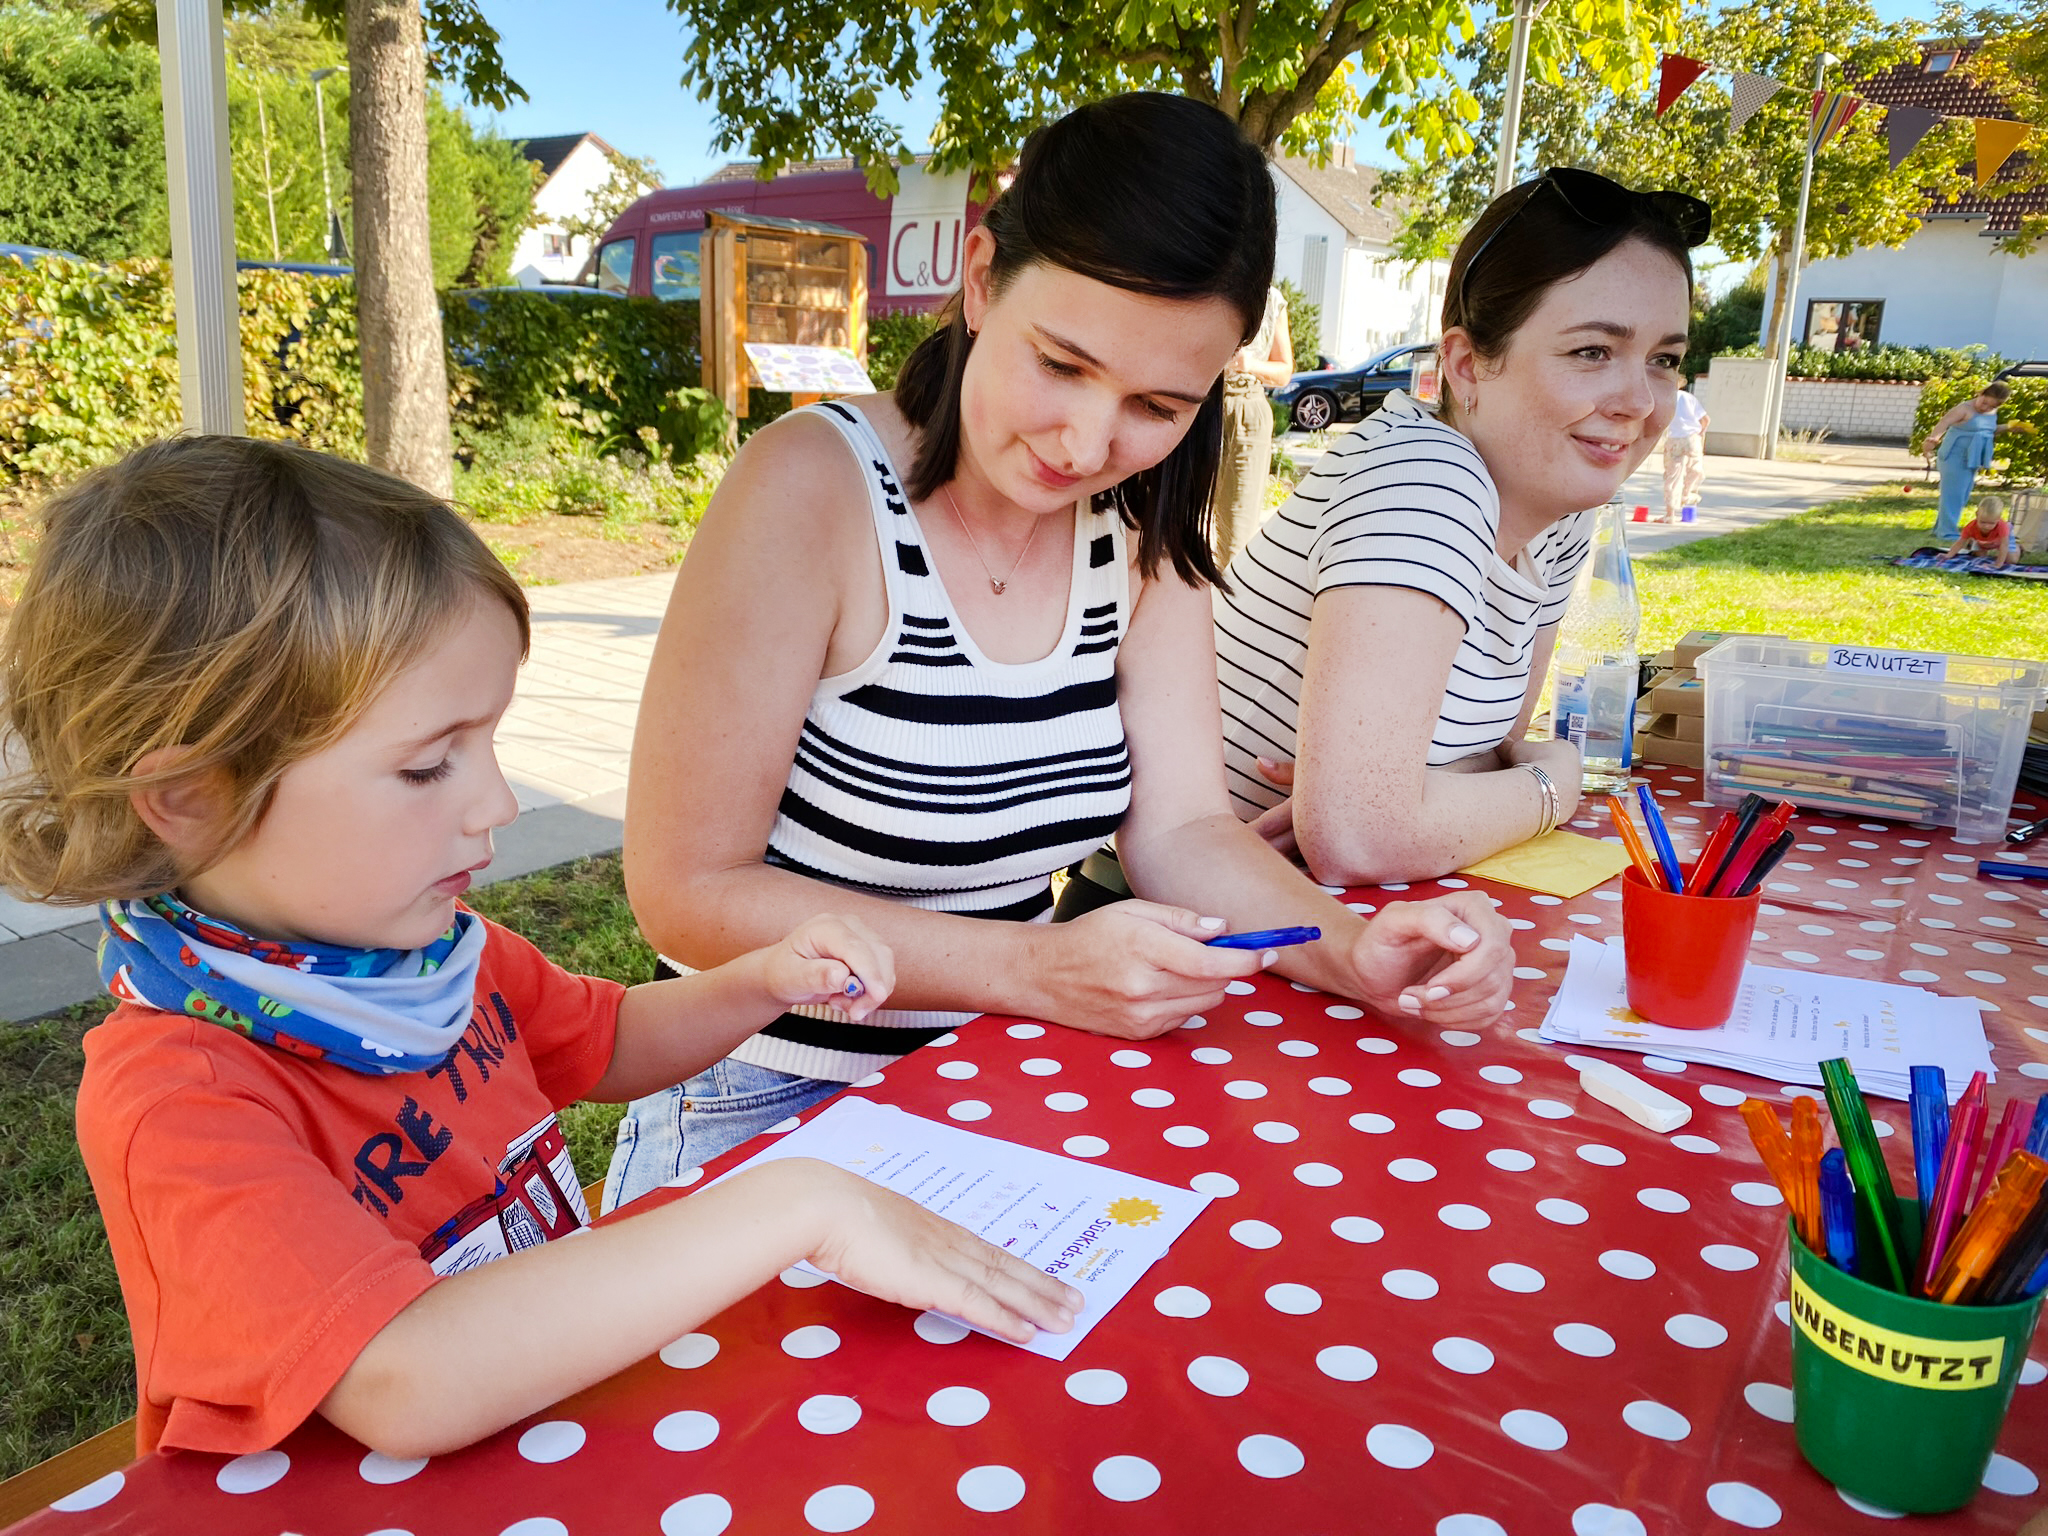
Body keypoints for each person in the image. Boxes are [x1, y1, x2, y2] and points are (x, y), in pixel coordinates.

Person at [0, 437, 1078, 1459]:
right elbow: (403, 1379)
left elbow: (602, 1045)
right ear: (186, 793)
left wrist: (758, 981)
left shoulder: (439, 958)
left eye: (491, 744)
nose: (497, 804)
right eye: (430, 766)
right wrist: (792, 1202)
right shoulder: (181, 1101)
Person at [604, 93, 1515, 1210]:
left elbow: (1181, 828)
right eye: (1061, 364)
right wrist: (1029, 970)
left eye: (1157, 403)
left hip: (998, 1088)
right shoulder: (811, 489)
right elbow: (684, 889)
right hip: (758, 1100)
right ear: (981, 278)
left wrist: (1351, 950)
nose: (1087, 444)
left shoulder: (1139, 530)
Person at [1214, 166, 1708, 885]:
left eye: (1664, 359)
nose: (1639, 399)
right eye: (1592, 351)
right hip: (1170, 929)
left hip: (1316, 915)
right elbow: (1361, 837)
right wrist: (1557, 783)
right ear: (1469, 364)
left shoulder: (1558, 515)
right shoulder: (1424, 478)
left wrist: (1428, 793)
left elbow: (1488, 752)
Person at [1213, 284, 1294, 566]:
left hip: (1245, 406)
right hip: (1195, 403)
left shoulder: (1270, 298)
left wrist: (1249, 364)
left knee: (1236, 528)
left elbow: (1284, 371)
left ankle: (1225, 607)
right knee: (1174, 525)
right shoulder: (1198, 276)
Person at [1923, 382, 2014, 542]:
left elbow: (1987, 430)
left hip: (1972, 458)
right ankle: (1947, 532)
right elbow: (1944, 422)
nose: (1985, 408)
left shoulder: (1992, 412)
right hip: (1953, 456)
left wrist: (2009, 427)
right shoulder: (1964, 408)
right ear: (1981, 393)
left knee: (1961, 495)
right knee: (1954, 494)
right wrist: (1934, 438)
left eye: (1990, 406)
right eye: (1984, 402)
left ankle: (1941, 528)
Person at [1661, 383, 1709, 522]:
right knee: (1695, 470)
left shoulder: (1666, 399)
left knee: (1672, 476)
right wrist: (1701, 432)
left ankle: (1670, 514)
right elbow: (1706, 419)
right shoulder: (1689, 398)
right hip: (1691, 438)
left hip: (1674, 438)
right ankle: (1687, 496)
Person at [1947, 492, 2015, 567]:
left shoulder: (2002, 526)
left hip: (2002, 540)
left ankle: (2019, 548)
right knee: (1980, 556)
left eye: (1991, 523)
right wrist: (1948, 556)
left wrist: (1998, 564)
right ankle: (1974, 543)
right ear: (1977, 515)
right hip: (1983, 540)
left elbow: (2004, 545)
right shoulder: (1971, 526)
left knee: (2011, 560)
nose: (1986, 526)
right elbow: (1960, 542)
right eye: (1983, 522)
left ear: (1998, 518)